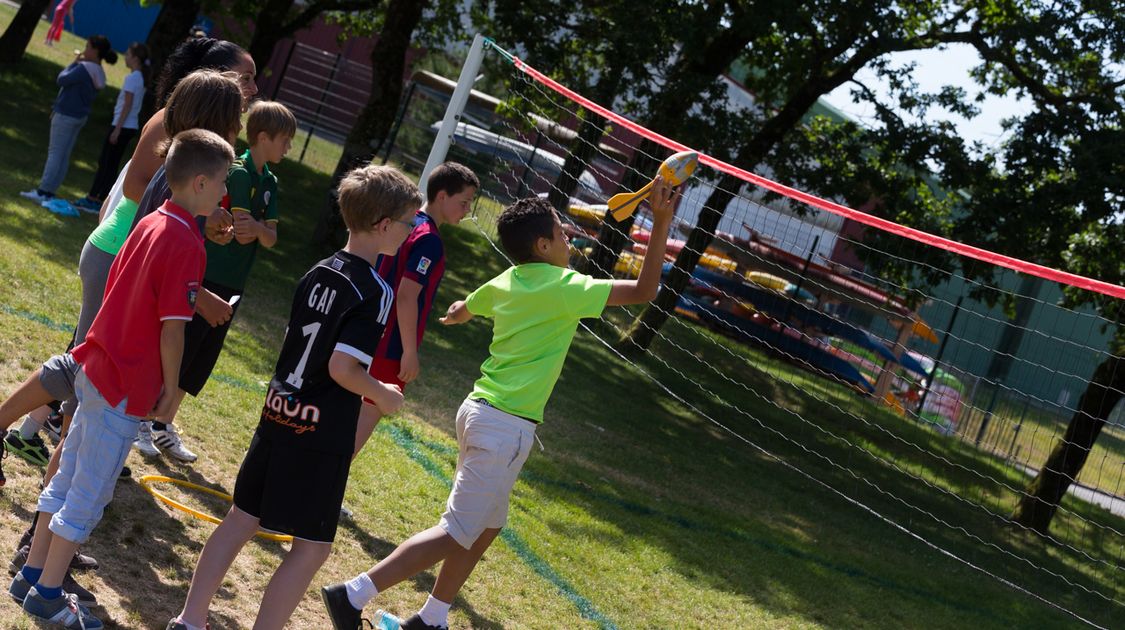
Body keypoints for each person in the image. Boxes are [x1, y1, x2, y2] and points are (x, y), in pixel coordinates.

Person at [320, 178, 680, 630]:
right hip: (503, 427)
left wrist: (456, 314)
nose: (570, 240)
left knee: (487, 526)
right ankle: (352, 595)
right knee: (454, 532)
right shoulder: (568, 286)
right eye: (563, 235)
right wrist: (661, 222)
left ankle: (431, 618)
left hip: (480, 415)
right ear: (544, 245)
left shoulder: (509, 279)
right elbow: (646, 290)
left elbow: (467, 306)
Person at [167, 165, 420, 630]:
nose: (411, 233)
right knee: (312, 548)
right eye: (409, 223)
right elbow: (342, 369)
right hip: (319, 431)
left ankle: (189, 619)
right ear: (384, 225)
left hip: (279, 412)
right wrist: (383, 395)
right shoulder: (376, 290)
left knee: (241, 519)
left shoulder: (317, 270)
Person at [8, 129, 235, 630]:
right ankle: (47, 592)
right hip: (125, 385)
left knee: (67, 476)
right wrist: (171, 389)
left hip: (94, 367)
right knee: (88, 491)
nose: (225, 195)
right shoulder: (185, 242)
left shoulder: (151, 219)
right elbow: (173, 328)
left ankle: (30, 575)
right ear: (200, 182)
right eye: (223, 183)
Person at [136, 100, 297, 462]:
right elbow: (244, 233)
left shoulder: (270, 181)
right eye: (284, 140)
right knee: (183, 347)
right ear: (262, 137)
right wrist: (258, 228)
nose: (288, 148)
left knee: (200, 359)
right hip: (208, 275)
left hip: (234, 282)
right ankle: (143, 420)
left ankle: (163, 424)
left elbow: (269, 238)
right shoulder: (236, 172)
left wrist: (257, 229)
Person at [353, 162, 479, 456]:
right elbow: (407, 296)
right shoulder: (429, 241)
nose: (467, 210)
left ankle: (318, 487)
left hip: (366, 327)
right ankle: (323, 493)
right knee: (368, 413)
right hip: (389, 343)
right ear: (442, 196)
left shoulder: (405, 223)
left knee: (349, 410)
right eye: (464, 202)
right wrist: (409, 352)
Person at [20, 35, 117, 205]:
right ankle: (50, 190)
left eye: (87, 47)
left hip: (66, 114)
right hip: (79, 116)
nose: (85, 49)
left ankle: (43, 191)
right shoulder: (99, 72)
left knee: (55, 153)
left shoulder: (83, 68)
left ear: (95, 51)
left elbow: (62, 79)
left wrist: (74, 62)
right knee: (64, 154)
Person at [73, 42, 151, 213]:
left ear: (136, 58)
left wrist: (117, 129)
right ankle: (99, 198)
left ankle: (94, 198)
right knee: (110, 163)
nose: (126, 56)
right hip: (128, 126)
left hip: (122, 126)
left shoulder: (133, 78)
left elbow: (127, 105)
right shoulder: (140, 77)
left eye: (129, 54)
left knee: (106, 162)